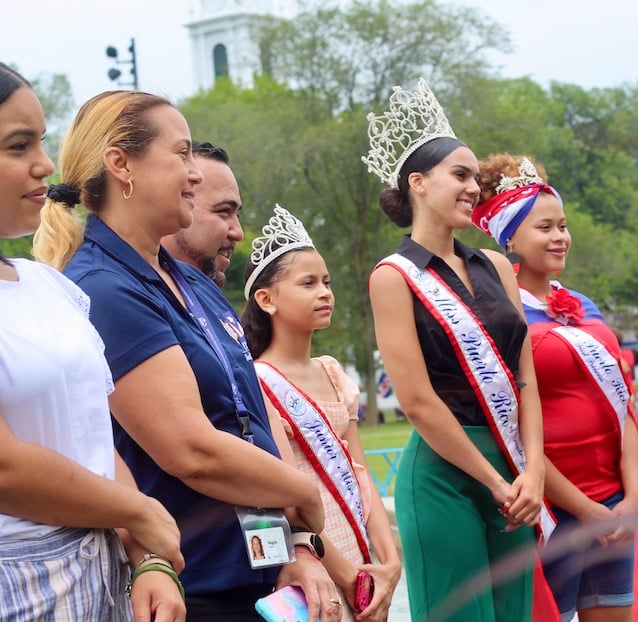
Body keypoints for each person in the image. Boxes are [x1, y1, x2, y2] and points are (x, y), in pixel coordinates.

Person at [32, 89, 343, 622]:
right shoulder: (104, 289)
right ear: (121, 164)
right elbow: (192, 450)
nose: (194, 174)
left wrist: (295, 543)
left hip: (256, 573)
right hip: (189, 585)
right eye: (180, 155)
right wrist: (302, 495)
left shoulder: (188, 282)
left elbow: (249, 423)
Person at [0, 63, 184, 621]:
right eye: (16, 145)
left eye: (42, 141)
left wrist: (147, 556)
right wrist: (141, 511)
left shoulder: (50, 286)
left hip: (105, 577)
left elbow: (93, 442)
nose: (46, 164)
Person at [363, 79, 548, 621]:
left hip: (513, 470)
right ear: (417, 183)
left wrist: (532, 471)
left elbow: (525, 380)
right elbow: (417, 402)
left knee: (514, 613)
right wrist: (498, 483)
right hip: (446, 473)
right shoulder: (392, 278)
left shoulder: (495, 266)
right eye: (460, 175)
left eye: (475, 178)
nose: (473, 187)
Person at [472, 153, 638, 622]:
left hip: (614, 501)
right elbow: (510, 425)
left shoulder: (584, 304)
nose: (560, 237)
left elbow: (624, 406)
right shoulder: (499, 316)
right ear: (510, 238)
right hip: (552, 508)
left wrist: (631, 499)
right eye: (544, 228)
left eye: (563, 226)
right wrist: (585, 508)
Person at [241, 204, 402, 621]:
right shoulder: (259, 382)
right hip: (317, 554)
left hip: (360, 543)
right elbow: (288, 498)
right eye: (308, 283)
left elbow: (360, 473)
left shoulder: (332, 373)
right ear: (266, 299)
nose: (325, 292)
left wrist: (388, 562)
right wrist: (348, 575)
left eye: (327, 282)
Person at [161, 141, 243, 287]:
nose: (238, 233)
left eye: (238, 215)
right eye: (224, 211)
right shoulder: (129, 294)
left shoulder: (209, 302)